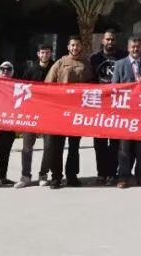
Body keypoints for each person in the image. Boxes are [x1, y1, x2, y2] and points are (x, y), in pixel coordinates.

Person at [44, 35, 93, 189]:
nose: (75, 48)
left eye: (77, 45)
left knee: (74, 147)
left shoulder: (86, 64)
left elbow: (92, 86)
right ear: (68, 47)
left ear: (81, 47)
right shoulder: (60, 63)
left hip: (77, 112)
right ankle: (56, 177)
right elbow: (48, 84)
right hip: (59, 111)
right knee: (56, 146)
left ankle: (72, 176)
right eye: (72, 45)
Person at [113, 37, 141, 188]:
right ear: (128, 48)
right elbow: (114, 88)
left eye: (138, 47)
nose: (135, 49)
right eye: (133, 47)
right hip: (126, 113)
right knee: (124, 148)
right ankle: (123, 177)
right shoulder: (119, 64)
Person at [89, 29, 125, 185]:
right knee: (99, 143)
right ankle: (101, 173)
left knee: (115, 143)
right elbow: (89, 80)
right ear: (103, 41)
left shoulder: (122, 57)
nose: (110, 42)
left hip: (117, 105)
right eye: (107, 39)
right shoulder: (94, 58)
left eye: (112, 40)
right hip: (99, 106)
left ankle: (112, 173)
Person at [16, 43, 53, 188]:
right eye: (42, 52)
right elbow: (22, 89)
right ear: (38, 54)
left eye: (47, 52)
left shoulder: (55, 68)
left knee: (49, 145)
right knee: (27, 146)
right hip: (31, 113)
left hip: (49, 113)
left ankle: (43, 174)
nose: (45, 55)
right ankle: (25, 176)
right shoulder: (30, 70)